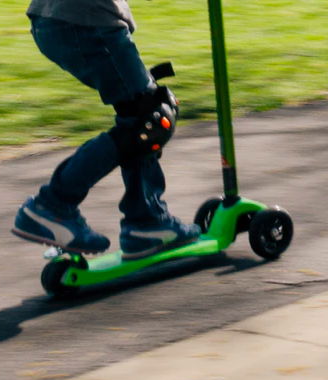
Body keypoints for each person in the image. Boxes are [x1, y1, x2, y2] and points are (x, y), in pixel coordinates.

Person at [12, 0, 200, 259]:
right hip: (85, 22)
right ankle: (53, 205)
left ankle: (145, 222)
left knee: (141, 115)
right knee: (149, 120)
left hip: (61, 20)